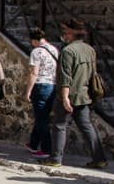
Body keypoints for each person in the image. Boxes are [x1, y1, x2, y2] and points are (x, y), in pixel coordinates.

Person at [40, 19, 108, 169]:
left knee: (59, 125)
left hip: (70, 95)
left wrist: (64, 97)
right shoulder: (90, 50)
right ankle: (99, 158)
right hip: (84, 94)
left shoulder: (67, 51)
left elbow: (66, 77)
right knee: (86, 126)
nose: (64, 35)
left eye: (65, 32)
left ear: (71, 33)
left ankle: (56, 158)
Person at [23, 28, 59, 158]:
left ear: (34, 40)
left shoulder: (36, 52)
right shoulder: (54, 49)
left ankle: (46, 149)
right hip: (52, 85)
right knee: (42, 116)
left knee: (41, 119)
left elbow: (34, 73)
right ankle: (33, 144)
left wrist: (28, 91)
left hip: (41, 85)